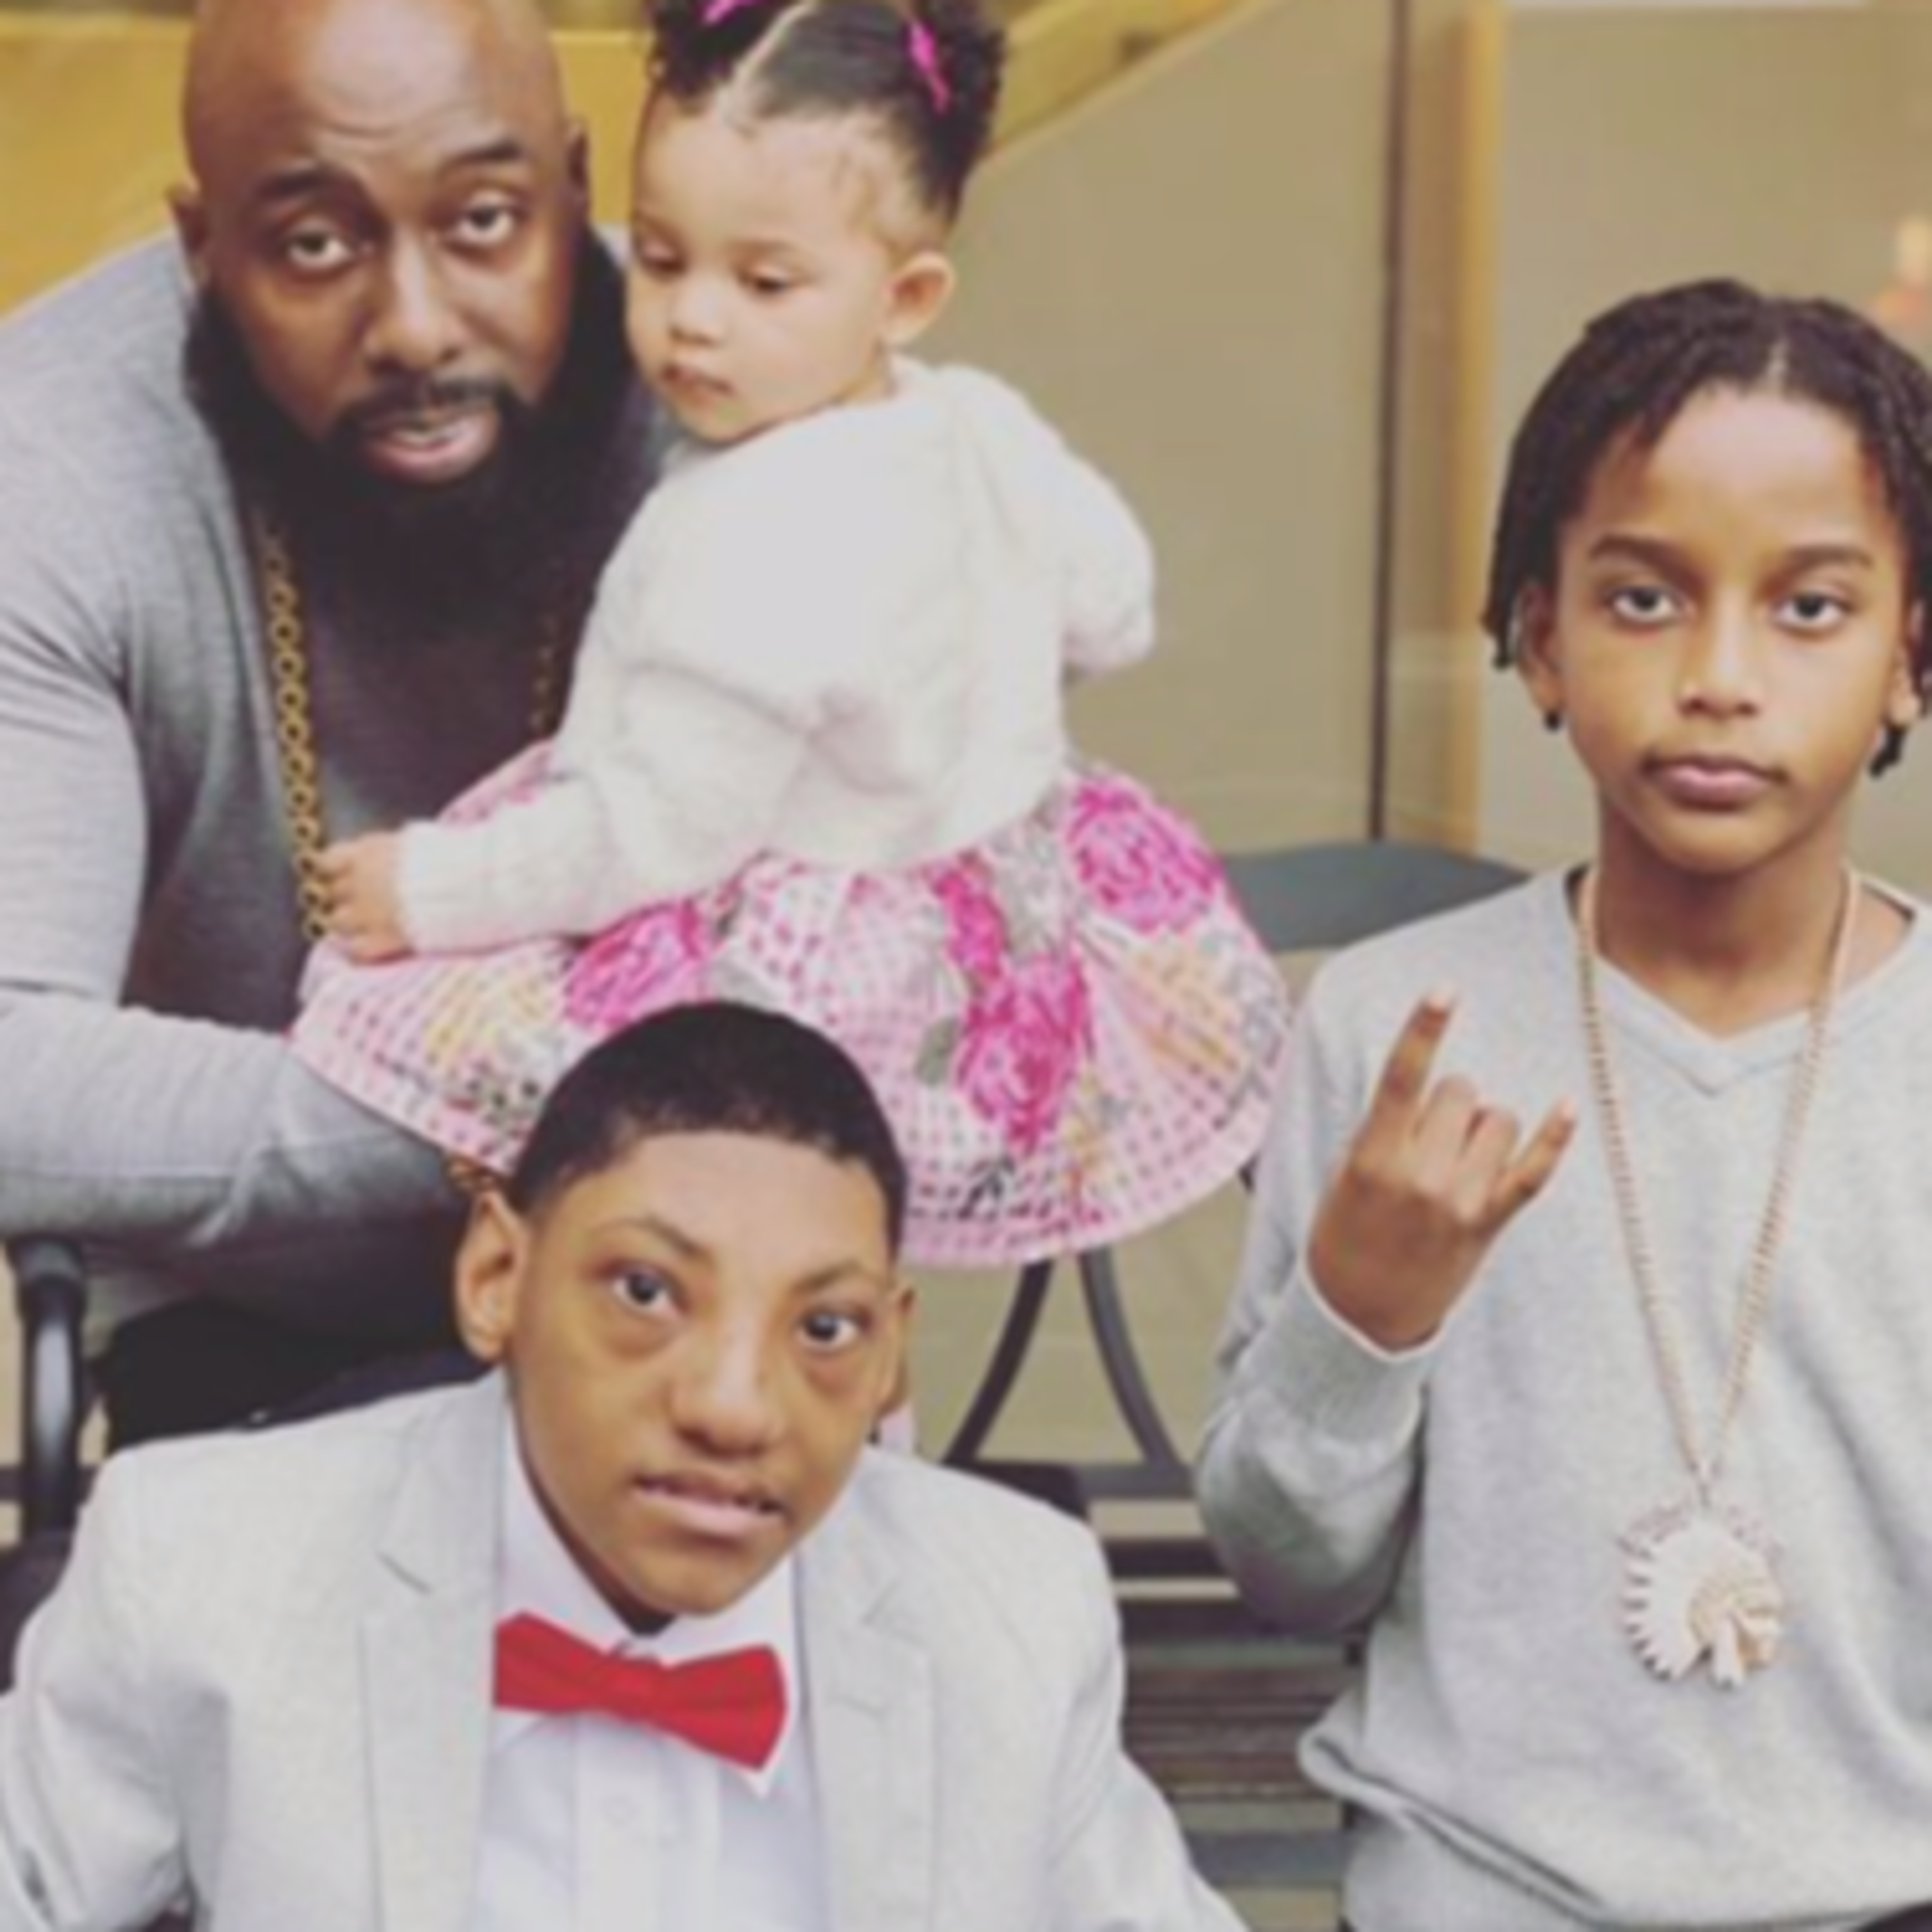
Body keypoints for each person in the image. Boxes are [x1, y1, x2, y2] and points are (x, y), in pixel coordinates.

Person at [294, 0, 1293, 1270]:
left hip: (803, 994)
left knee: (646, 1199)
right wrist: (956, 683)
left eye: (764, 282)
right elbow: (1114, 604)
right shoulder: (974, 421)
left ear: (908, 294)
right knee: (815, 1266)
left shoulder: (745, 537)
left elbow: (659, 835)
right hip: (986, 937)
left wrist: (434, 890)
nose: (696, 319)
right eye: (663, 260)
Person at [1195, 278, 1932, 1929]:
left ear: (1911, 657)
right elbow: (1283, 1571)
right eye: (1644, 598)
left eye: (1810, 607)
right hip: (1482, 1893)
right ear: (1539, 640)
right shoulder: (1397, 1029)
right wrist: (1361, 1316)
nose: (1721, 676)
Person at [0, 1001, 1247, 1932]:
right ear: (498, 1278)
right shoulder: (207, 1565)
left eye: (824, 1327)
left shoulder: (1013, 1610)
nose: (733, 1407)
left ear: (888, 1359)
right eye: (646, 1292)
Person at [0, 0, 658, 1439]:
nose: (415, 326)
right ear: (205, 249)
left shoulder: (737, 407)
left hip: (692, 1296)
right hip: (249, 1322)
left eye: (483, 222)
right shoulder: (46, 465)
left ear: (574, 187)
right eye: (313, 244)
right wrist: (520, 1104)